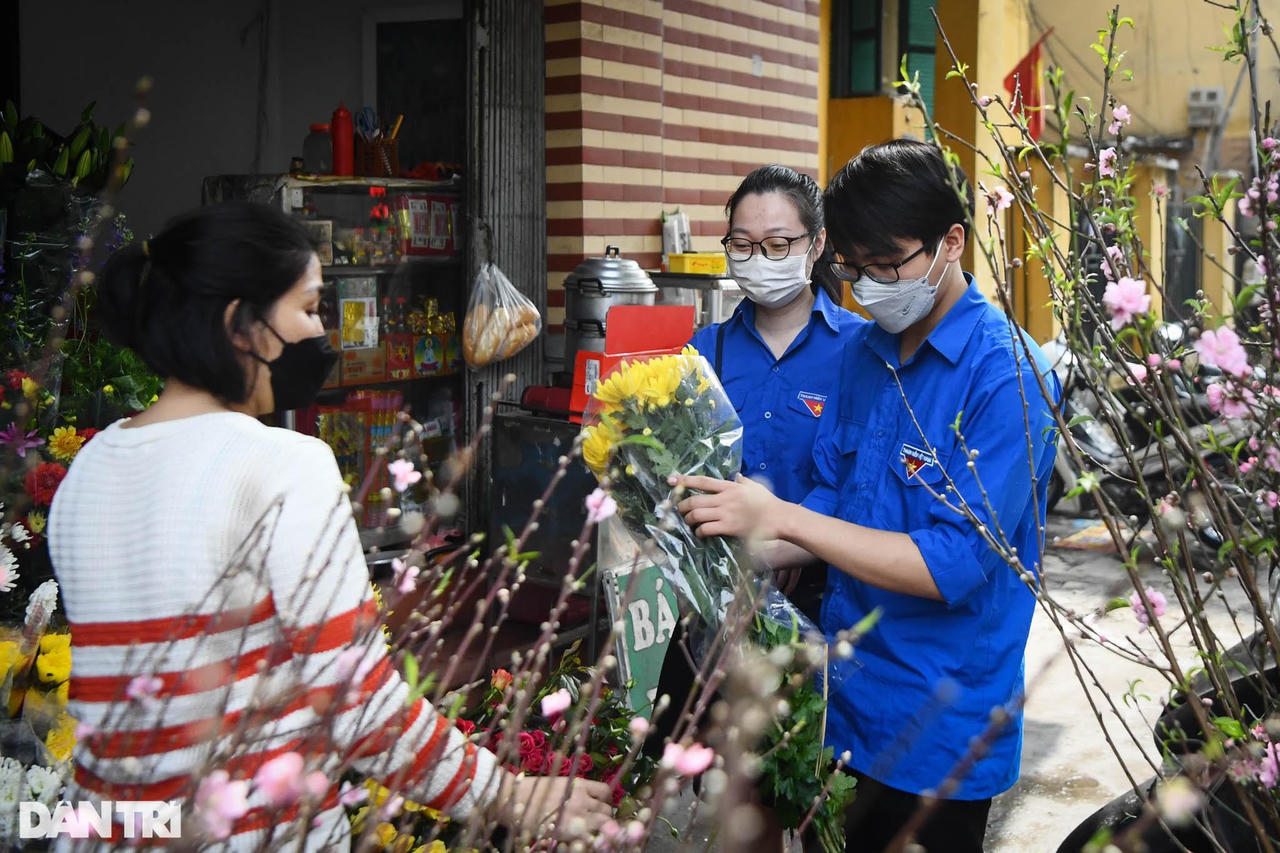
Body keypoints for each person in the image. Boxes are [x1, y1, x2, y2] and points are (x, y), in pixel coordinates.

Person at [48, 202, 612, 850]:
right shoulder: (281, 465)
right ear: (242, 325)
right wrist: (511, 794)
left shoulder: (90, 465)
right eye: (311, 307)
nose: (322, 331)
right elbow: (358, 700)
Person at [674, 140, 1061, 852]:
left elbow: (951, 563)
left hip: (939, 723)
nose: (872, 285)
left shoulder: (1006, 376)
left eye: (888, 265)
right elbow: (838, 491)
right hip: (845, 702)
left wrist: (783, 517)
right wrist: (739, 541)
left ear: (951, 242)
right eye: (855, 269)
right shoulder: (865, 351)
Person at [647, 165, 863, 756]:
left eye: (776, 244)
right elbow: (675, 474)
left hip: (827, 600)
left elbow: (855, 481)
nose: (757, 258)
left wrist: (787, 543)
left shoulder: (861, 351)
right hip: (721, 603)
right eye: (741, 245)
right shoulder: (702, 351)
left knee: (822, 786)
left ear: (817, 245)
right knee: (739, 789)